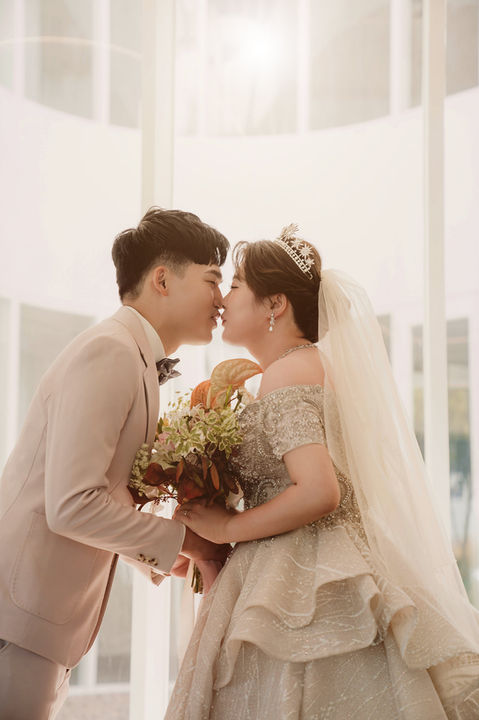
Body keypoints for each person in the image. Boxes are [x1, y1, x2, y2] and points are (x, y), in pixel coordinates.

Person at [166, 224, 479, 719]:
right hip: (332, 552)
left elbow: (318, 491)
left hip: (302, 567)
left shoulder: (287, 372)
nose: (223, 298)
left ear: (275, 304)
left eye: (237, 285)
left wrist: (226, 528)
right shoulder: (311, 366)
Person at [0, 207, 230, 719]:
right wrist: (191, 542)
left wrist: (160, 555)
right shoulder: (111, 351)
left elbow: (101, 493)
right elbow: (72, 505)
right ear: (162, 280)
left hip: (37, 624)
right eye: (213, 280)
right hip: (17, 621)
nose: (222, 299)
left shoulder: (132, 355)